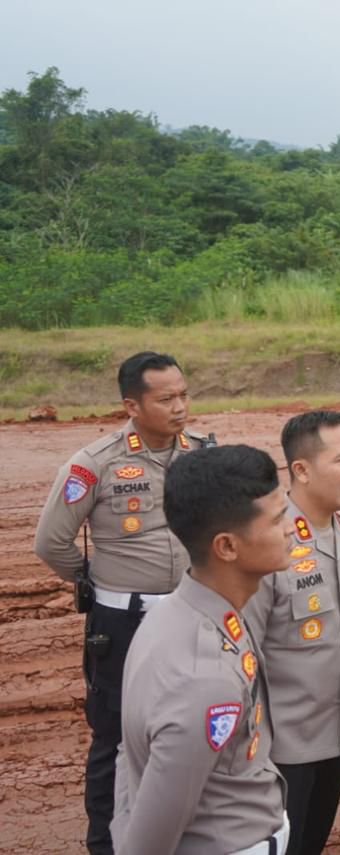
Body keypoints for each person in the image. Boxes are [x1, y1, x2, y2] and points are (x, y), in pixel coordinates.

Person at [32, 351, 214, 854]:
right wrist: (97, 584)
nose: (180, 407)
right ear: (131, 405)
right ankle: (106, 844)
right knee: (115, 739)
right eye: (166, 398)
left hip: (194, 614)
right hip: (124, 620)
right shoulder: (95, 464)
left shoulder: (202, 452)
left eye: (183, 394)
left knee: (196, 724)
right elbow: (51, 543)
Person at [111, 444, 291, 853]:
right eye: (278, 519)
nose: (293, 529)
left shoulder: (181, 613)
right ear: (227, 546)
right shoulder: (204, 680)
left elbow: (130, 758)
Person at [242, 410, 340, 854]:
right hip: (279, 750)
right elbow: (240, 652)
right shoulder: (265, 542)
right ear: (300, 469)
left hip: (334, 737)